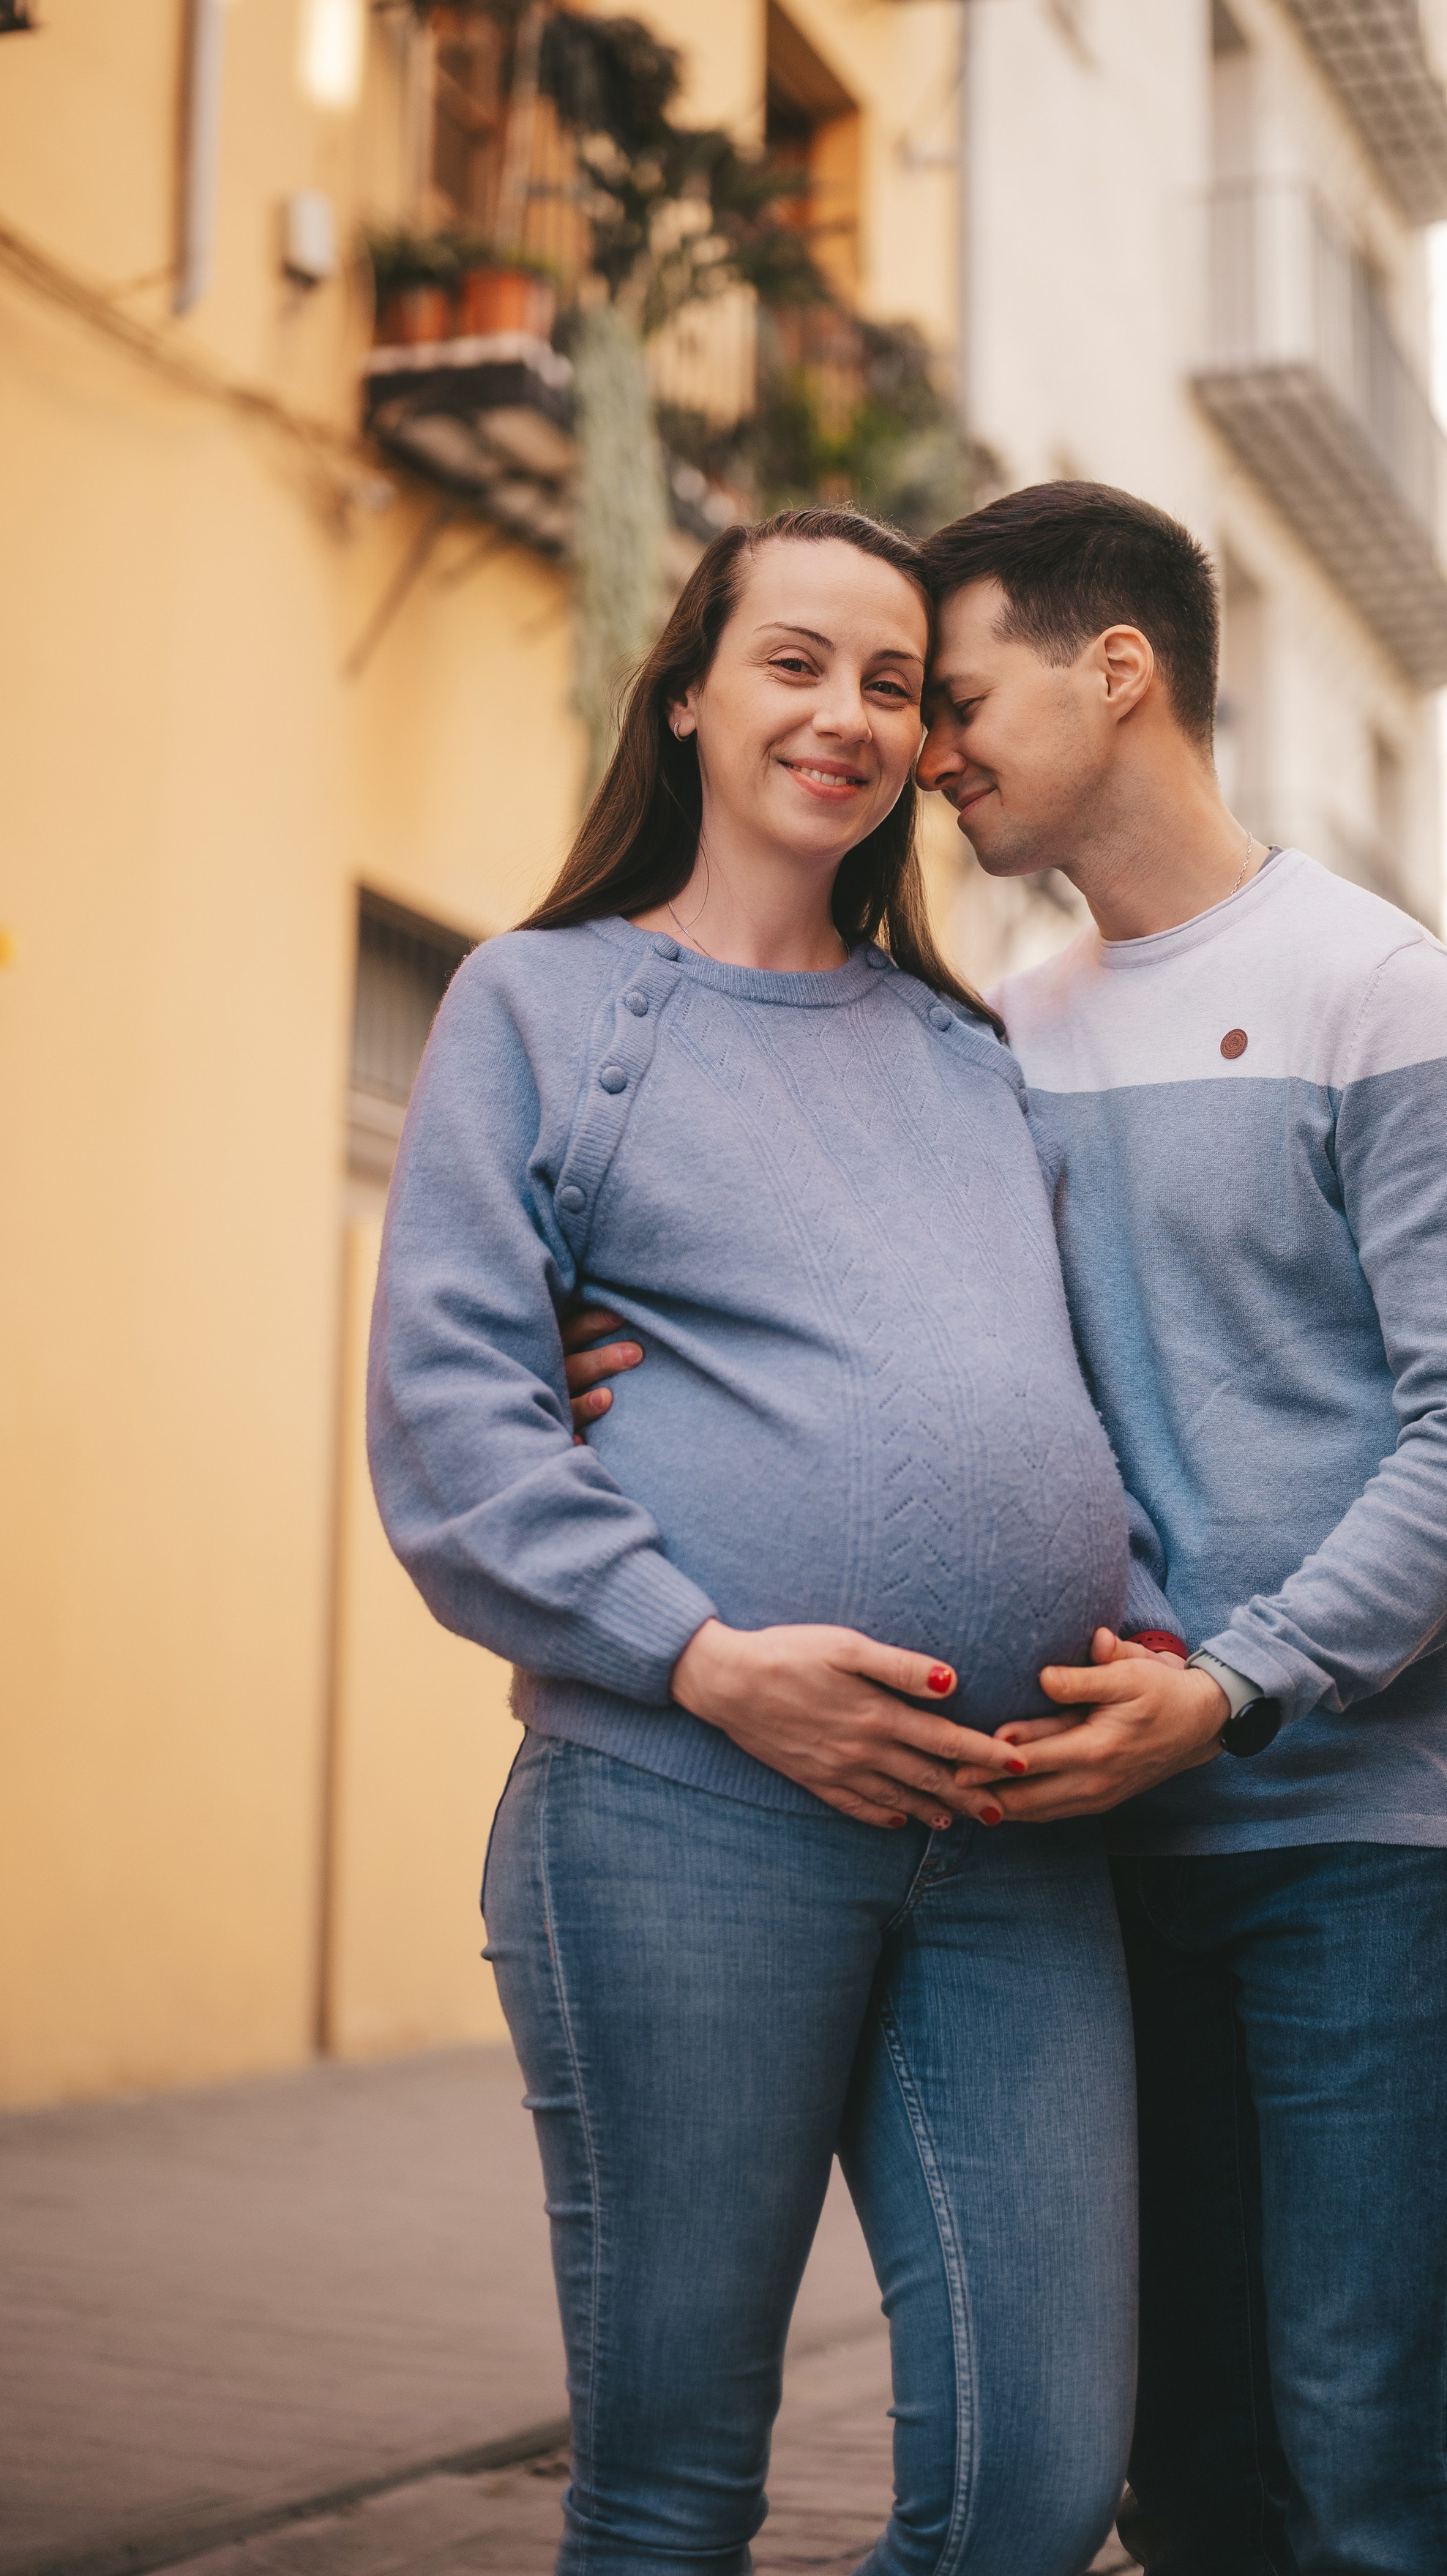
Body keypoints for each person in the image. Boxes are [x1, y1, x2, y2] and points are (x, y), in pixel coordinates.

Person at [570, 481, 1447, 2576]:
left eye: (964, 686)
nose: (929, 746)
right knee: (1177, 2472)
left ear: (1122, 674)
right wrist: (602, 1327)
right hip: (1083, 1864)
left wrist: (1237, 1685)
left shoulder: (1385, 999)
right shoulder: (1000, 1030)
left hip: (1345, 1843)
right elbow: (859, 1308)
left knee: (1379, 2471)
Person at [367, 506, 1180, 2576]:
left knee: (1041, 2482)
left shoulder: (964, 1055)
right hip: (685, 1813)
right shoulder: (547, 1009)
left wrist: (1155, 1645)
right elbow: (457, 1415)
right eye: (794, 662)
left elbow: (1060, 1399)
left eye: (893, 683)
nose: (844, 714)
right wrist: (706, 1655)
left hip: (1017, 1845)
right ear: (692, 694)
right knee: (667, 2493)